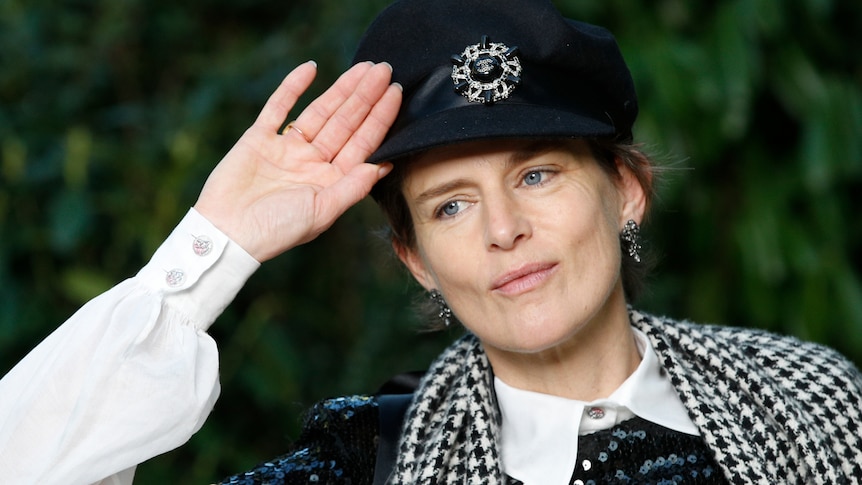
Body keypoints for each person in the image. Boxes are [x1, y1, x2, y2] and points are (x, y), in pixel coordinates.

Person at [1, 0, 860, 484]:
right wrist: (213, 248)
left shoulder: (818, 407)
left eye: (537, 175)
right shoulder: (361, 467)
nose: (502, 230)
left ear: (626, 192)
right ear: (416, 259)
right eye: (450, 206)